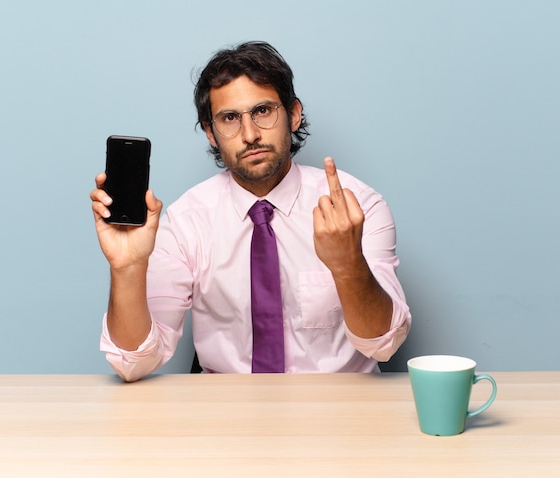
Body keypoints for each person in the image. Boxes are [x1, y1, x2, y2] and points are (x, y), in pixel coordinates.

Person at [90, 41, 411, 381]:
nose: (250, 134)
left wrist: (348, 266)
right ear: (212, 133)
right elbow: (133, 362)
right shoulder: (187, 220)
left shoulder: (356, 206)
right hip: (225, 417)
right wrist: (127, 268)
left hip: (337, 413)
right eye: (229, 118)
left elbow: (384, 345)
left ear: (294, 114)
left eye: (263, 111)